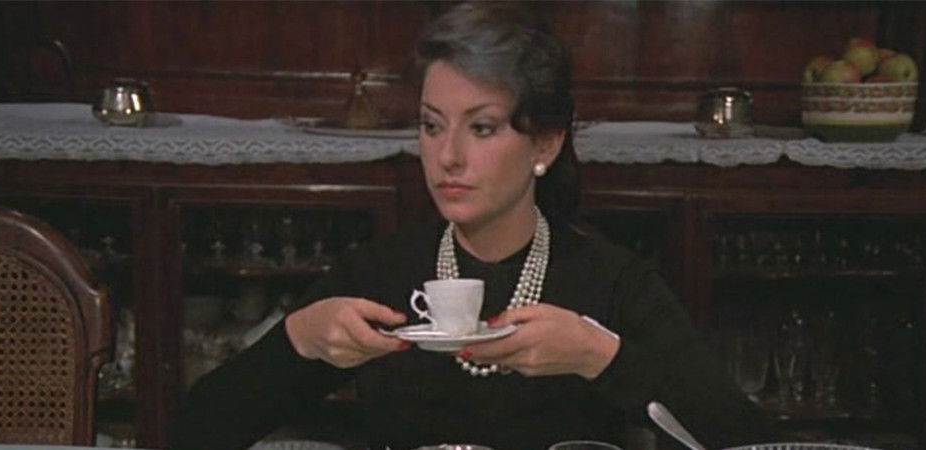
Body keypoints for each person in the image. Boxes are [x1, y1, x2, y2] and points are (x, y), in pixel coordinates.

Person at [169, 3, 775, 450]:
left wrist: (600, 357)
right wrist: (296, 340)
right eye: (432, 126)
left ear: (545, 142)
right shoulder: (376, 274)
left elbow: (744, 439)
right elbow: (196, 431)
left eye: (481, 128)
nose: (448, 156)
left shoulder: (612, 282)